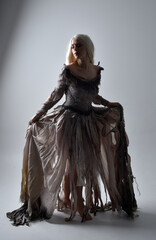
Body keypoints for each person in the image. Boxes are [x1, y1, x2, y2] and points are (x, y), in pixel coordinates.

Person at [7, 34, 137, 226]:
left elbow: (93, 96)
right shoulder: (69, 70)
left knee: (76, 163)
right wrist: (40, 112)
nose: (75, 49)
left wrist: (109, 104)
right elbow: (57, 95)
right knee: (73, 162)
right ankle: (79, 202)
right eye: (73, 46)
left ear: (87, 48)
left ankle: (67, 197)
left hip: (87, 120)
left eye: (79, 45)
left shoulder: (95, 71)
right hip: (67, 121)